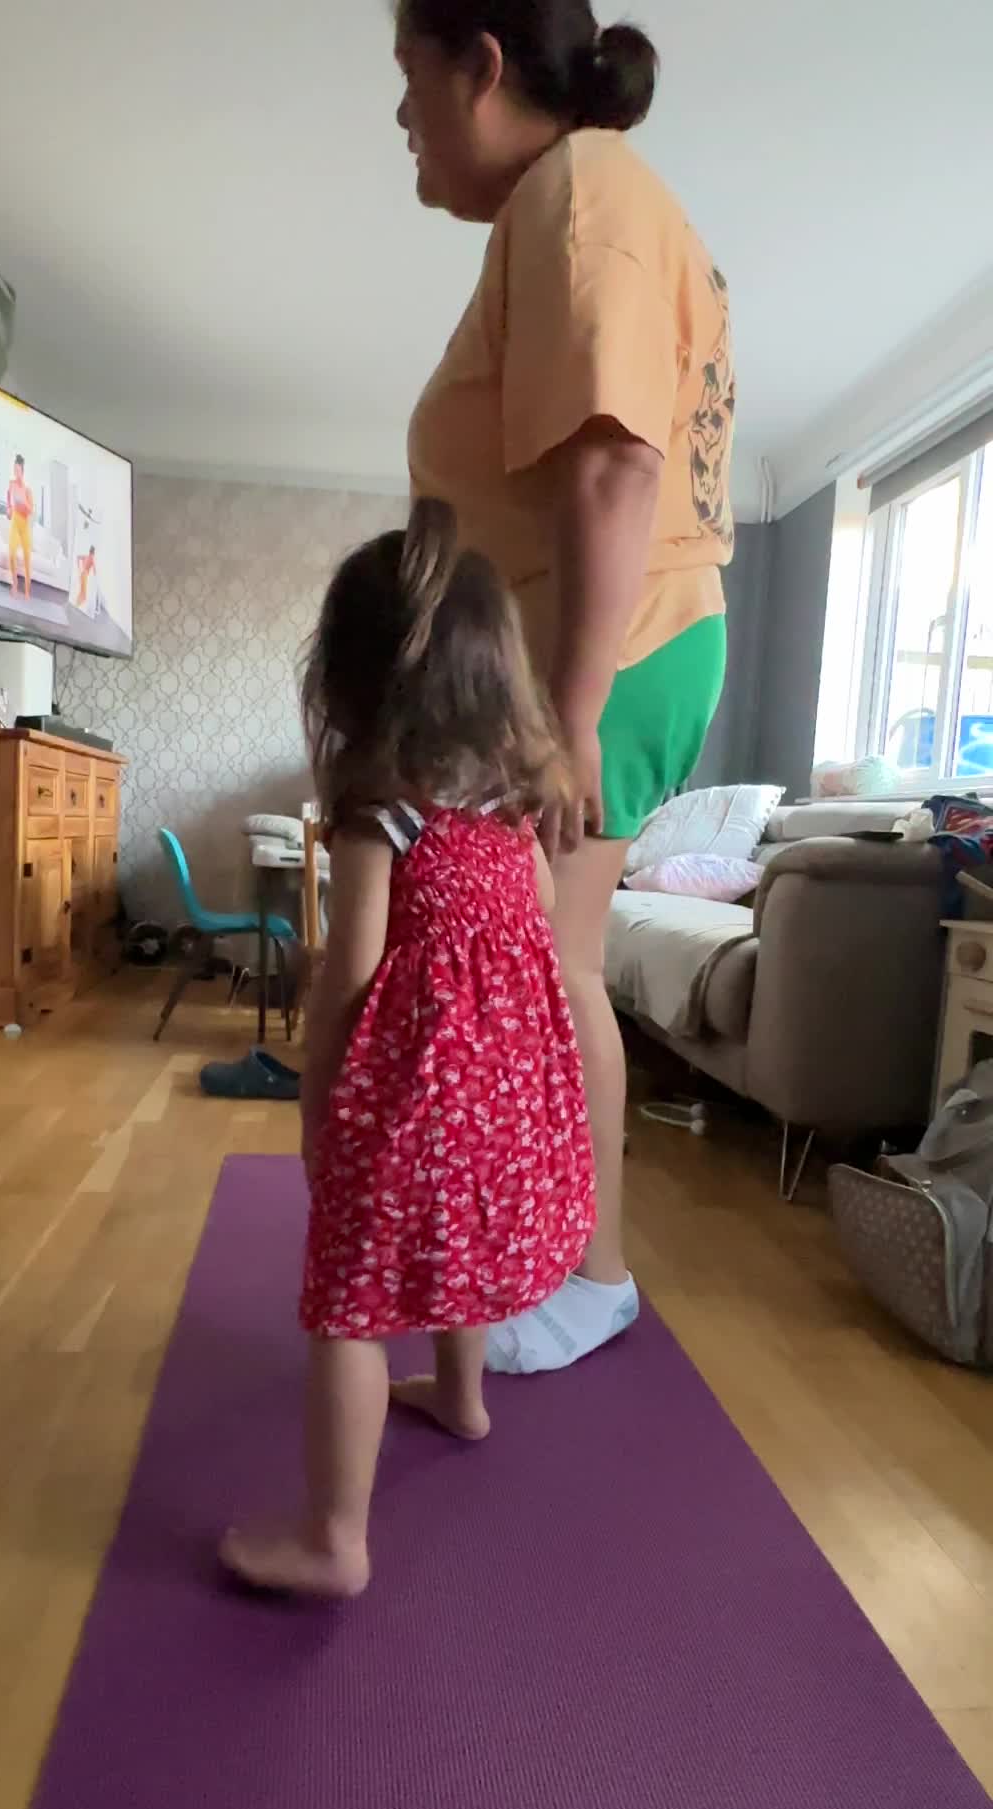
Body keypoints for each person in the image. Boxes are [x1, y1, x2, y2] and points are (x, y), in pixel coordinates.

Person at [396, 0, 735, 1373]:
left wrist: (572, 716)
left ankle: (586, 1277)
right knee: (547, 965)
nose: (401, 117)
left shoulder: (580, 193)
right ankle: (562, 1266)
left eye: (409, 77)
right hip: (608, 646)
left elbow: (613, 464)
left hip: (616, 649)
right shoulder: (570, 203)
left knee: (547, 968)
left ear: (481, 65)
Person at [220, 499, 595, 1599]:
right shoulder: (515, 808)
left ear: (352, 684)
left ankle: (334, 1540)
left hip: (417, 1099)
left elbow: (350, 969)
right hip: (510, 1101)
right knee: (453, 1245)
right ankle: (463, 1398)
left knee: (348, 1302)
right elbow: (534, 925)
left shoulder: (379, 813)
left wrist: (319, 1092)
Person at [6, 454, 35, 599]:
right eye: (14, 470)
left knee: (27, 558)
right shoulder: (11, 484)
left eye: (18, 470)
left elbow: (31, 511)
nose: (15, 473)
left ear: (22, 471)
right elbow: (8, 496)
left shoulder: (27, 489)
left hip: (25, 525)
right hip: (15, 522)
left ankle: (28, 590)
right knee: (11, 553)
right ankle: (15, 585)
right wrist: (9, 508)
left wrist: (24, 503)